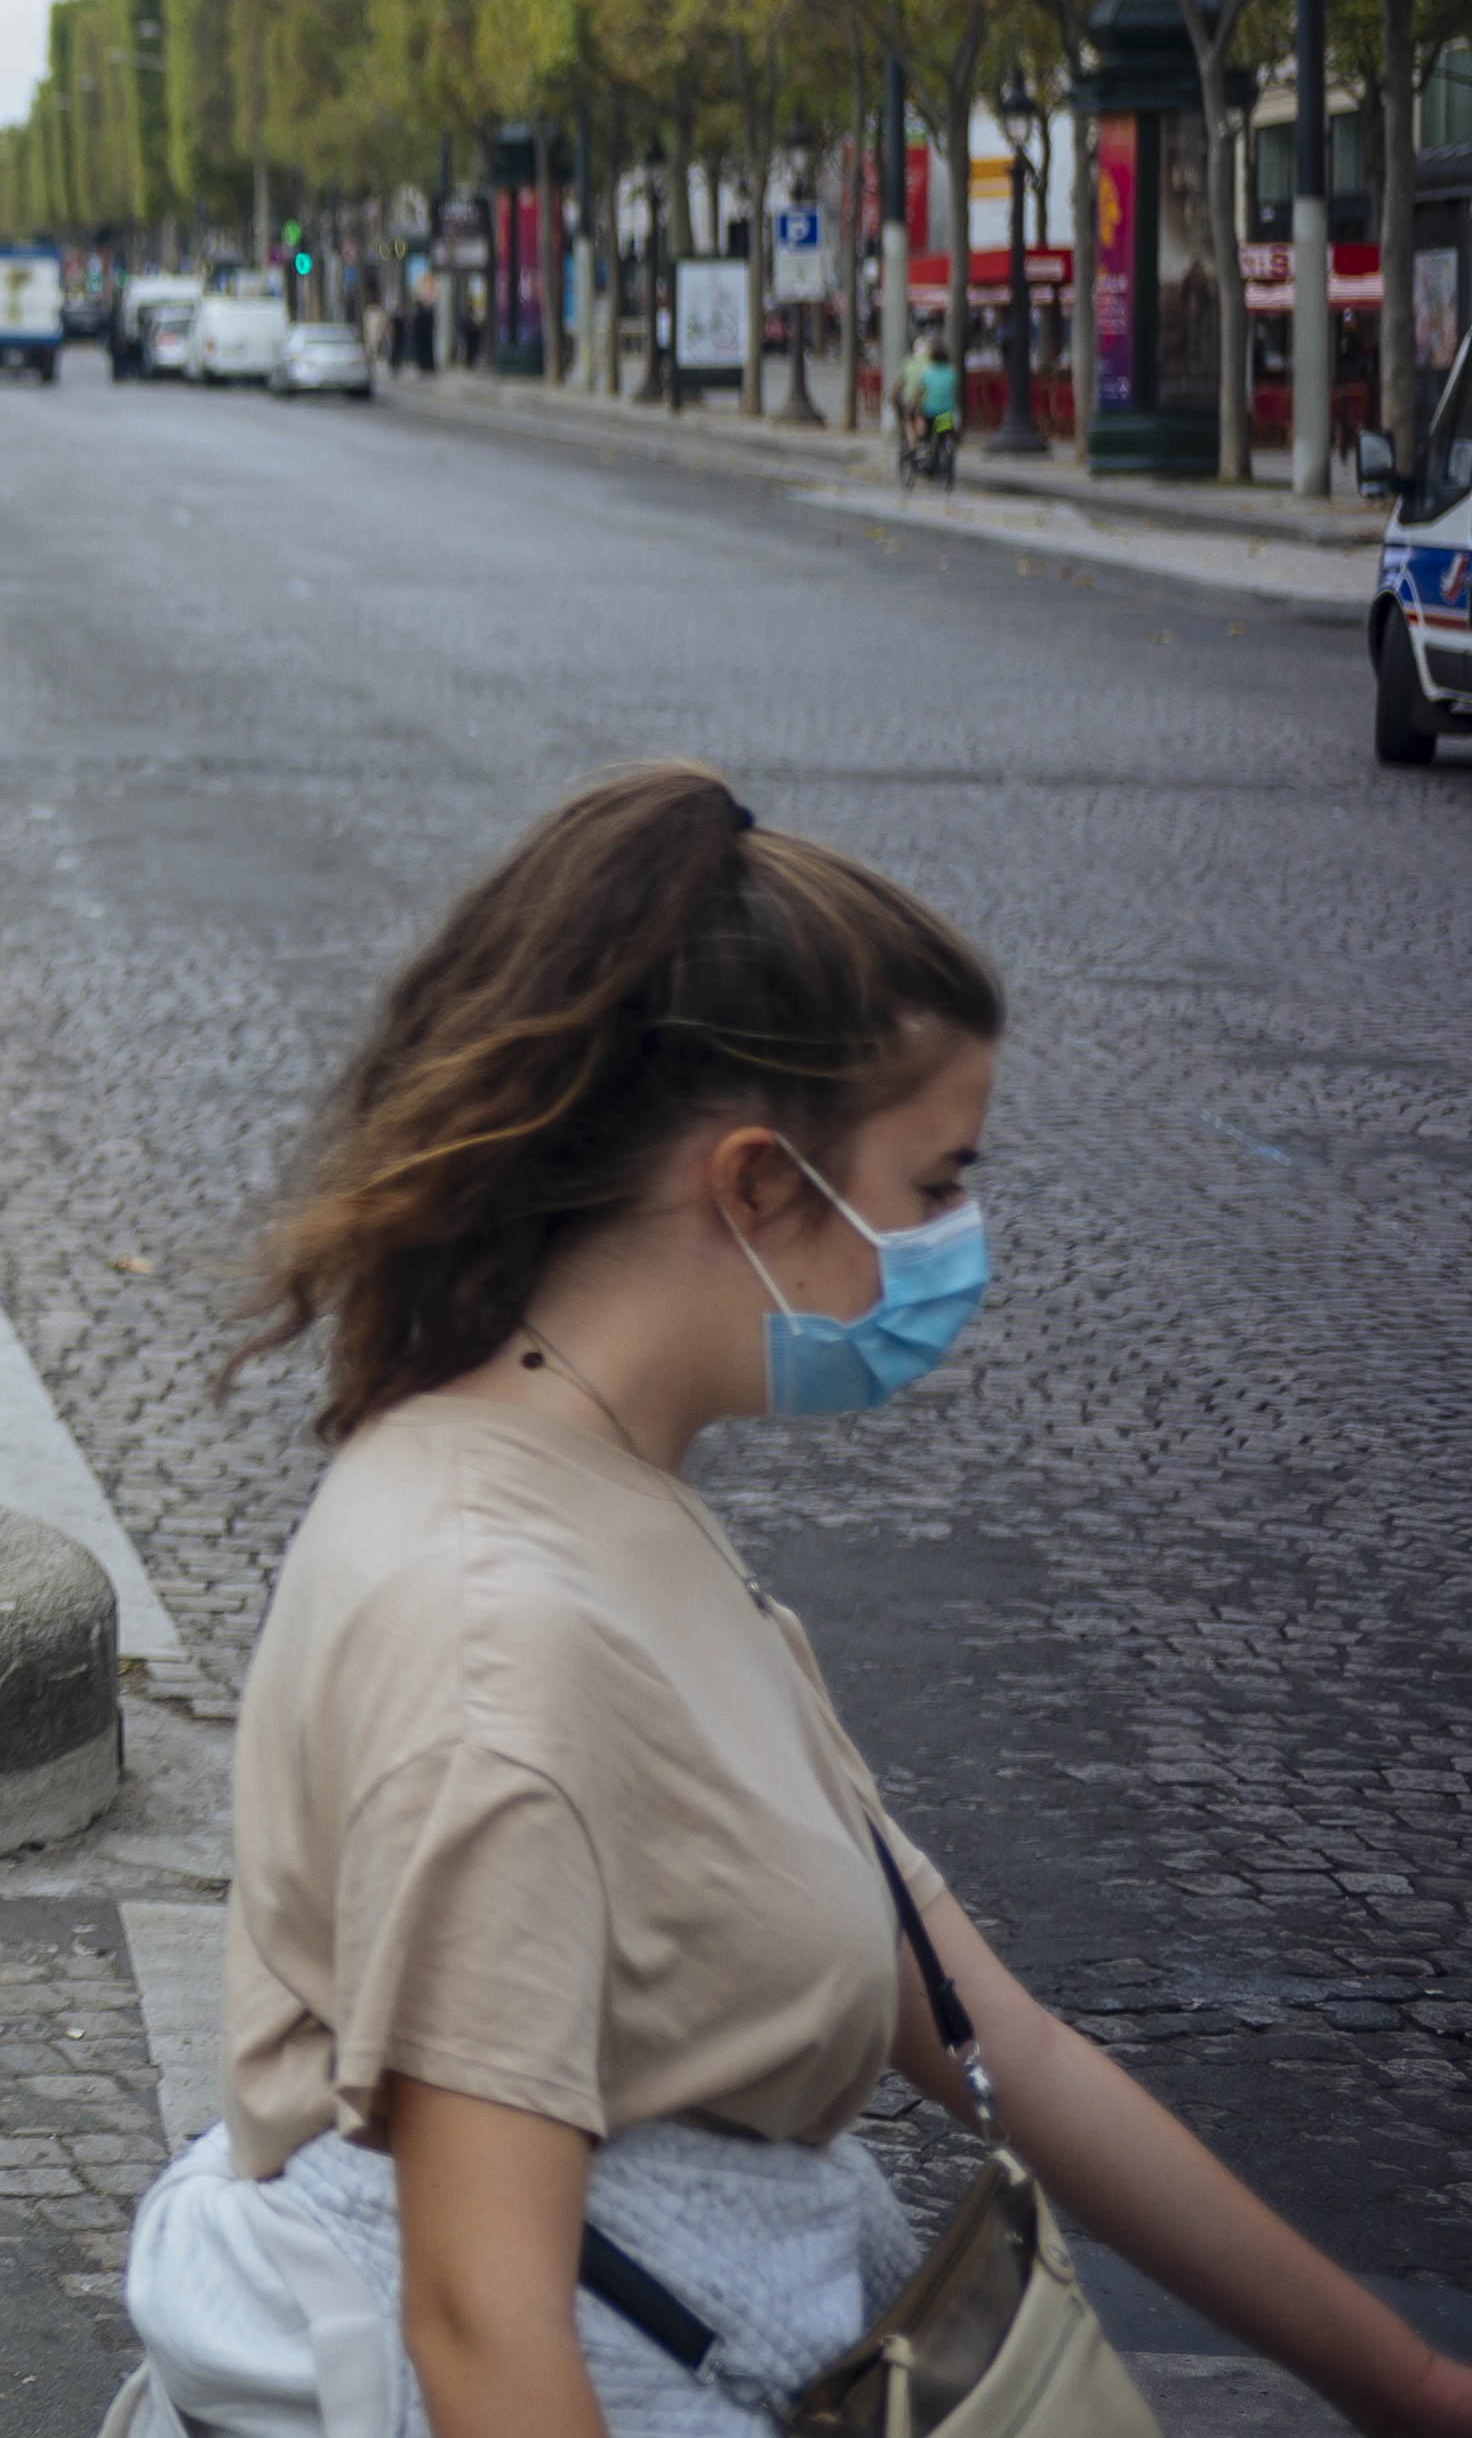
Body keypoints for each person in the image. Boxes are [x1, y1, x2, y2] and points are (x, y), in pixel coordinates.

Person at [121, 764, 1472, 2437]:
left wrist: (1413, 2386)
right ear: (758, 1186)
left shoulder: (602, 1490)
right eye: (934, 1184)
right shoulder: (506, 1641)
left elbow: (1004, 2046)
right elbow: (483, 2330)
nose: (960, 1243)